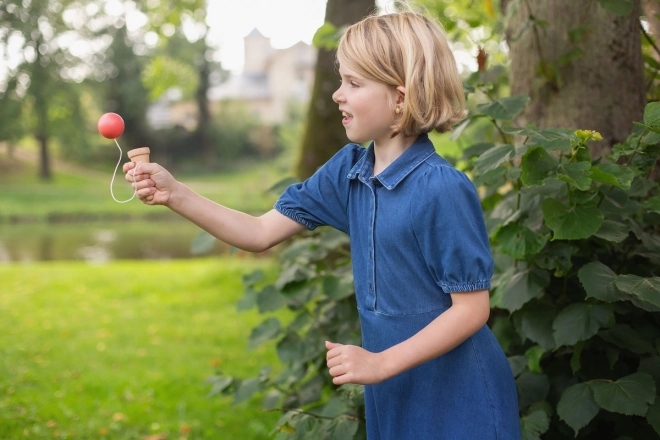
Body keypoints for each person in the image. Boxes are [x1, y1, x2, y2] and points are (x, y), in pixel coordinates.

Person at [124, 9, 520, 440]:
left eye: (353, 83)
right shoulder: (348, 171)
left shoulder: (442, 189)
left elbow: (472, 309)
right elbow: (258, 233)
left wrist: (380, 362)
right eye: (340, 81)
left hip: (460, 397)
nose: (337, 95)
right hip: (394, 387)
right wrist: (175, 193)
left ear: (401, 97)